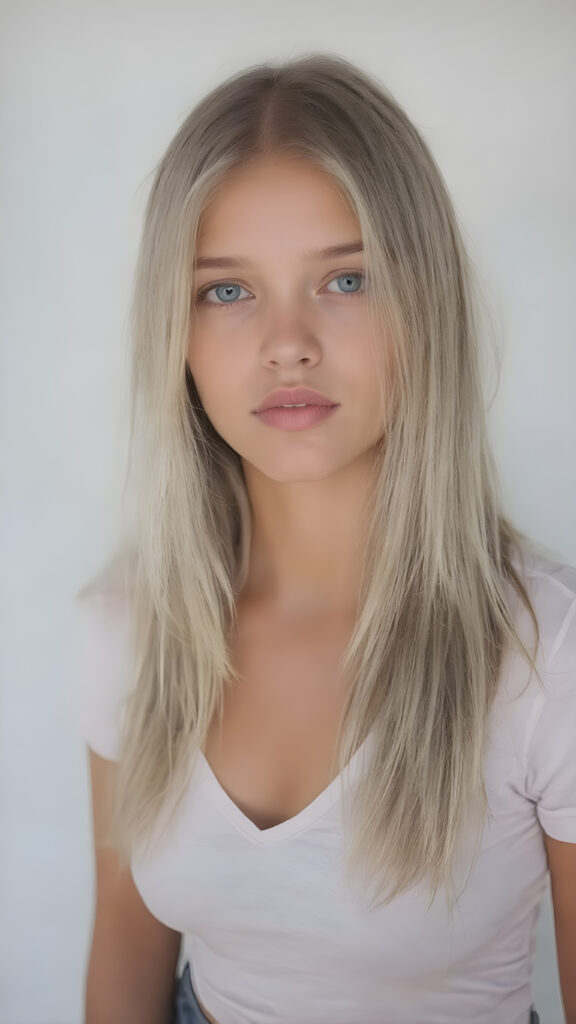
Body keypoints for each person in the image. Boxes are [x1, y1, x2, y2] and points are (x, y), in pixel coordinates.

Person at [69, 53, 576, 1024]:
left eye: (346, 278)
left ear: (426, 303)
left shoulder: (544, 649)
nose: (287, 341)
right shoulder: (125, 625)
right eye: (227, 290)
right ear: (173, 332)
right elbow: (126, 962)